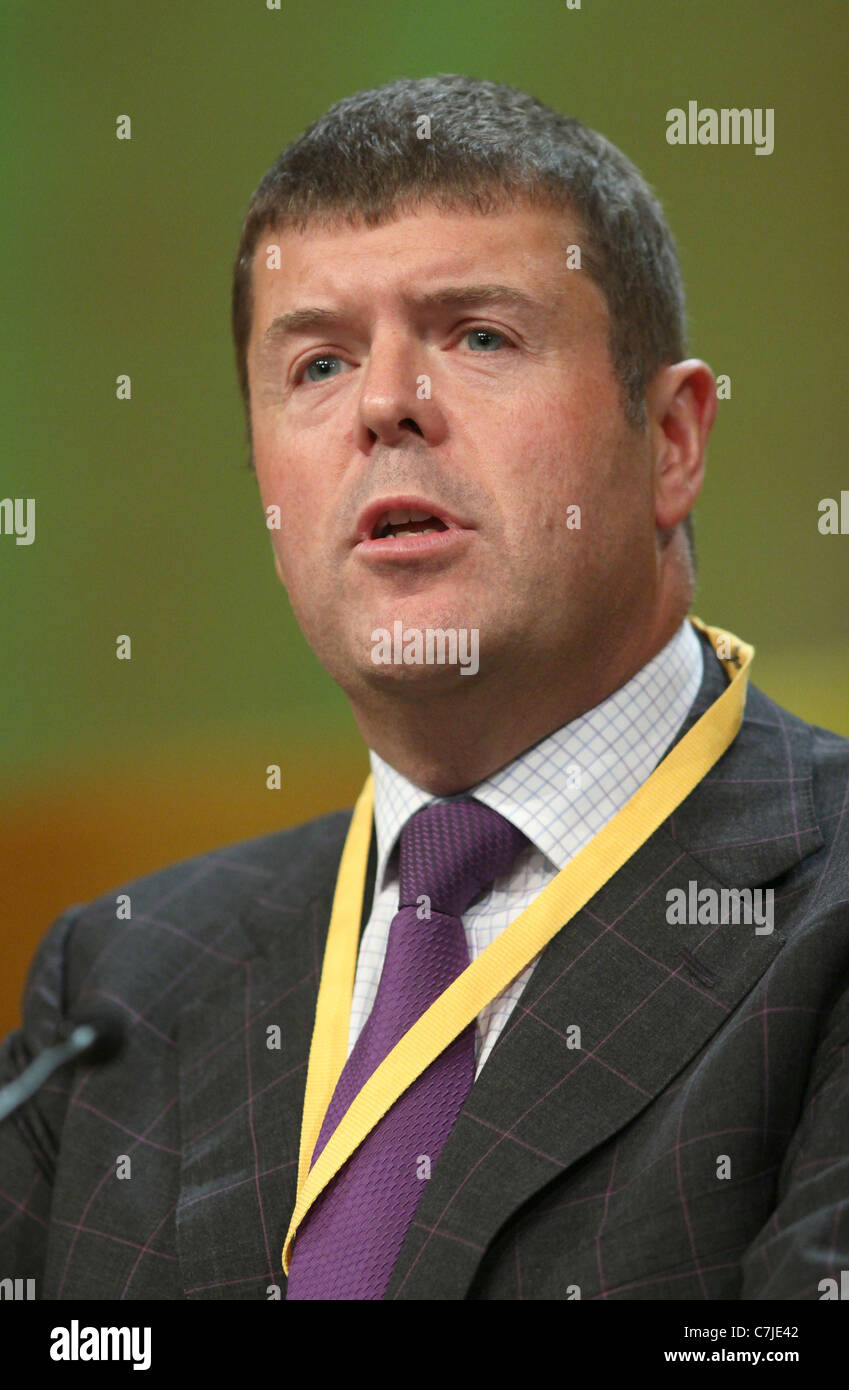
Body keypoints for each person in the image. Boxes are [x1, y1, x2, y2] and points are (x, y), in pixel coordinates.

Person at [2, 75, 847, 1302]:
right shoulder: (120, 982)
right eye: (319, 362)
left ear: (671, 440)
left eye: (478, 335)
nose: (387, 404)